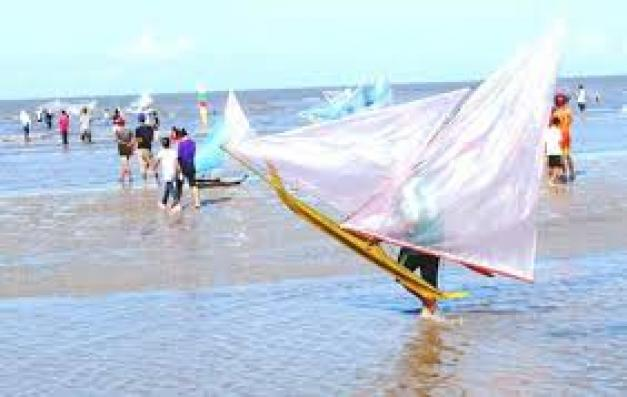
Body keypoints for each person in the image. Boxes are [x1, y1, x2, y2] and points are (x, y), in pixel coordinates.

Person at [398, 247, 440, 315]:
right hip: (432, 250)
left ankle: (428, 303)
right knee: (430, 285)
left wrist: (377, 238)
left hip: (412, 250)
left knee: (400, 276)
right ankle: (429, 308)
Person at [174, 128, 200, 210]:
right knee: (193, 185)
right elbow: (193, 154)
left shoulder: (180, 144)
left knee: (179, 186)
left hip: (183, 167)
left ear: (181, 136)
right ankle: (197, 203)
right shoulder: (193, 143)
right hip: (191, 166)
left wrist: (178, 169)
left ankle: (178, 204)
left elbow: (179, 157)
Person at [551, 92, 575, 181]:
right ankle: (571, 172)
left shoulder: (555, 112)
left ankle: (564, 174)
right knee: (567, 155)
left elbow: (552, 124)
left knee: (561, 156)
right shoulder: (568, 111)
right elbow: (570, 121)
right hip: (566, 135)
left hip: (560, 136)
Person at [154, 137, 179, 209]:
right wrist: (177, 170)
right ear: (169, 143)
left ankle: (176, 201)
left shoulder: (161, 152)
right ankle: (163, 202)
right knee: (167, 187)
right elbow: (176, 162)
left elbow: (157, 162)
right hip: (173, 171)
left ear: (162, 144)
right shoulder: (173, 151)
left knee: (170, 186)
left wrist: (154, 168)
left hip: (166, 172)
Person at [135, 113, 156, 181]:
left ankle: (145, 182)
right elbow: (152, 139)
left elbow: (138, 140)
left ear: (138, 120)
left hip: (140, 148)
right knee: (150, 164)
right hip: (148, 148)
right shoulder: (150, 128)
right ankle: (156, 178)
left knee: (142, 166)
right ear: (144, 119)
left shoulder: (137, 129)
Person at [545, 116, 564, 185]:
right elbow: (560, 141)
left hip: (549, 150)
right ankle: (551, 180)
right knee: (557, 167)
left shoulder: (547, 130)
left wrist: (545, 151)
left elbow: (545, 141)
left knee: (551, 166)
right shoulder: (558, 131)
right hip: (556, 150)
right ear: (557, 124)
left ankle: (551, 179)